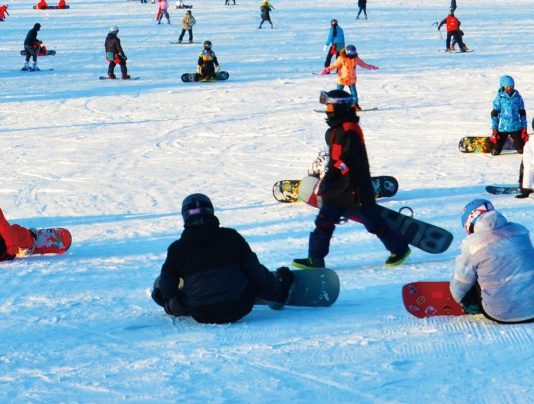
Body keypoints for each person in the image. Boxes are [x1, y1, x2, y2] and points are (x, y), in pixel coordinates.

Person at [294, 90, 410, 269]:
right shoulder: (336, 129)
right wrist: (329, 180)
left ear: (339, 108)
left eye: (329, 106)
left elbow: (347, 159)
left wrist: (332, 176)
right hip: (338, 190)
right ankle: (315, 259)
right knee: (324, 222)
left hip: (356, 190)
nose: (327, 110)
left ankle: (400, 249)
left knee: (373, 223)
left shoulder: (349, 129)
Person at [151, 193, 294, 323]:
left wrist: (166, 300)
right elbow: (256, 271)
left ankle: (172, 305)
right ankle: (274, 296)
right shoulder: (231, 237)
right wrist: (279, 295)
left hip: (201, 312)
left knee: (183, 292)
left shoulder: (177, 249)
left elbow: (169, 290)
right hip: (238, 307)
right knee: (249, 269)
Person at [449, 199, 534, 324]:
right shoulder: (520, 230)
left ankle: (479, 304)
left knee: (473, 274)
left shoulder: (472, 244)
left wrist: (462, 300)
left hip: (499, 314)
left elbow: (460, 284)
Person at [490, 75, 527, 154]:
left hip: (516, 128)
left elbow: (522, 113)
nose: (509, 89)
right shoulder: (500, 98)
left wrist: (524, 128)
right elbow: (495, 114)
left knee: (522, 151)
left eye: (511, 87)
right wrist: (494, 129)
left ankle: (519, 143)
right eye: (507, 87)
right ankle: (491, 145)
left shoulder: (518, 98)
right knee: (495, 151)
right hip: (503, 128)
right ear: (503, 87)